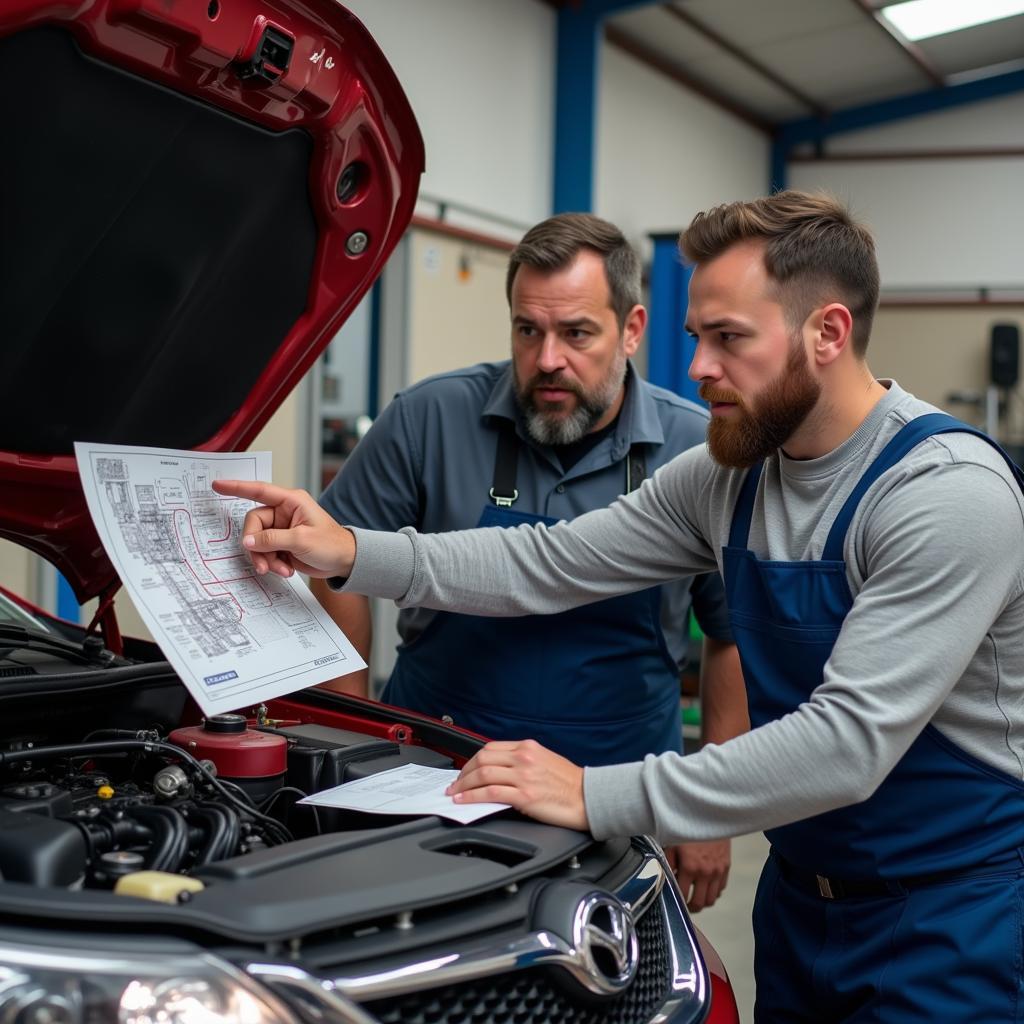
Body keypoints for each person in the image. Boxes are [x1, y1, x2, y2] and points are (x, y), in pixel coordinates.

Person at [214, 190, 1024, 1022]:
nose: (700, 368)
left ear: (828, 333)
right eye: (697, 338)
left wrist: (595, 794)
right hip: (802, 903)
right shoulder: (733, 475)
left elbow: (848, 743)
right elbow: (554, 559)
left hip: (949, 910)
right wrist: (349, 550)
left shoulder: (943, 495)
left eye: (730, 339)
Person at [310, 213, 747, 912]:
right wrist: (347, 734)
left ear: (632, 329)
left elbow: (732, 634)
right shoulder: (428, 418)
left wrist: (710, 809)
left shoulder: (697, 449)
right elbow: (334, 565)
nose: (547, 360)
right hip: (433, 784)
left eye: (576, 333)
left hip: (620, 801)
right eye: (527, 331)